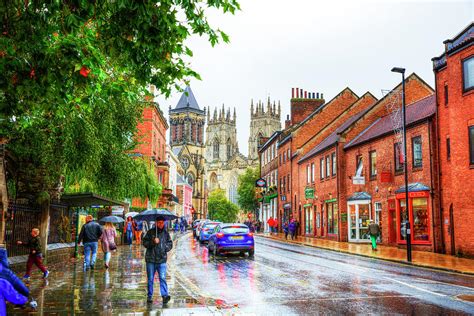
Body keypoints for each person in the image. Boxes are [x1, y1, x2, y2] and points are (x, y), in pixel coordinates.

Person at [143, 215, 173, 304]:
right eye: (159, 222)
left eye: (162, 222)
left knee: (163, 278)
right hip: (151, 260)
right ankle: (149, 296)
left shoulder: (166, 233)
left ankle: (165, 295)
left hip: (161, 260)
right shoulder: (150, 232)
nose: (161, 224)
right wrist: (153, 242)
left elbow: (170, 244)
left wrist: (164, 248)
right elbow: (145, 243)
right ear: (156, 223)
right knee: (150, 279)